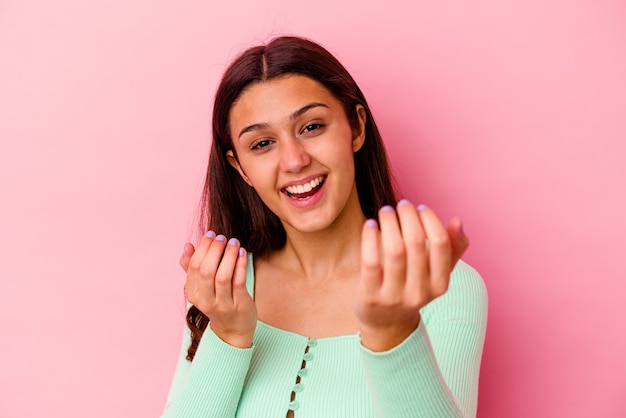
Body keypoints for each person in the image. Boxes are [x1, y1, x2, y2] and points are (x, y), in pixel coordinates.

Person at [162, 35, 487, 418]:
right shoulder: (225, 287)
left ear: (357, 127)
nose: (295, 160)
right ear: (240, 168)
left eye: (312, 126)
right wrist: (228, 335)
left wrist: (393, 334)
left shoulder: (443, 285)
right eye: (263, 144)